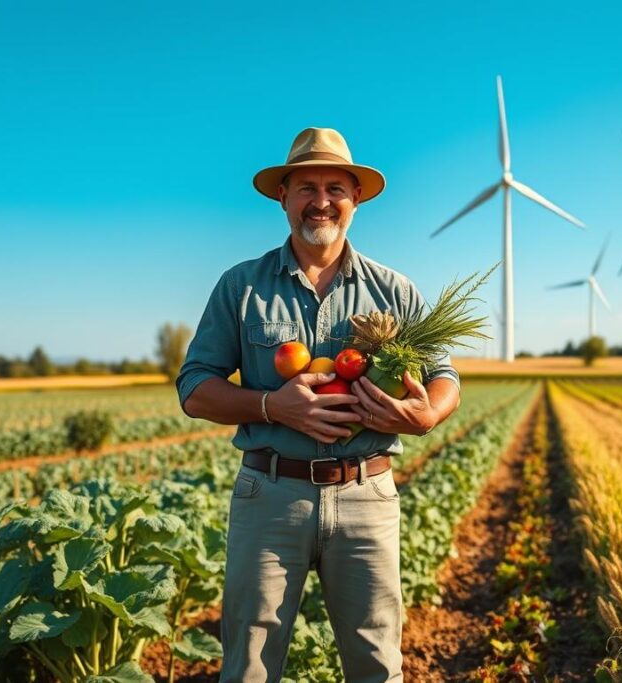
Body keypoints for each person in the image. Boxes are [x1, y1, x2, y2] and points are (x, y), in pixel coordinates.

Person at [176, 127, 461, 682]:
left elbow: (444, 374)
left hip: (366, 493)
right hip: (270, 494)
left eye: (336, 187)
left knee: (377, 663)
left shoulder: (395, 292)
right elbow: (194, 387)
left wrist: (428, 414)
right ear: (283, 196)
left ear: (355, 199)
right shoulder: (242, 287)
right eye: (306, 186)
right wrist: (271, 406)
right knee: (249, 667)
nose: (322, 200)